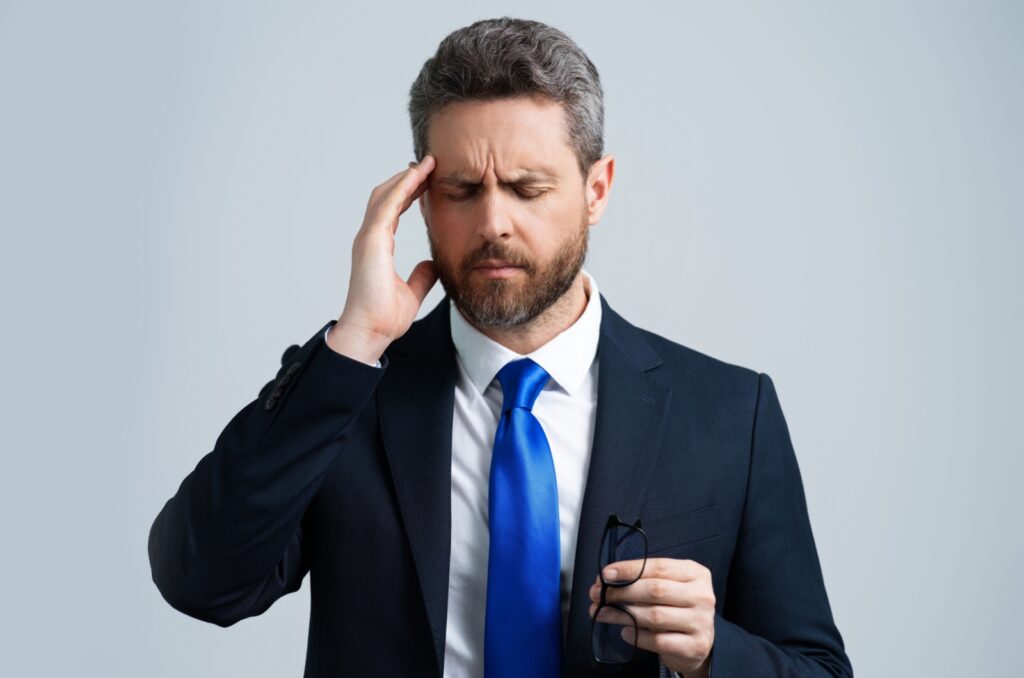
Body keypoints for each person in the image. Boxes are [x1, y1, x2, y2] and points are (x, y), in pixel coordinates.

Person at [148, 16, 853, 678]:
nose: (493, 224)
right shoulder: (345, 392)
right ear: (419, 200)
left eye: (526, 188)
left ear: (596, 189)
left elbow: (818, 668)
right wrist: (354, 343)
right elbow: (201, 582)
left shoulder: (733, 414)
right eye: (461, 190)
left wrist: (712, 655)